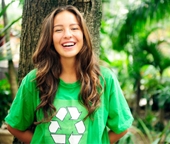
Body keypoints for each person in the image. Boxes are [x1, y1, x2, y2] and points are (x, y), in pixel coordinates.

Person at [5, 5, 133, 144]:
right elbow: (13, 125)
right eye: (58, 30)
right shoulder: (34, 80)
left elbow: (122, 126)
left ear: (84, 34)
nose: (67, 34)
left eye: (74, 28)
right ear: (50, 38)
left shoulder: (104, 79)